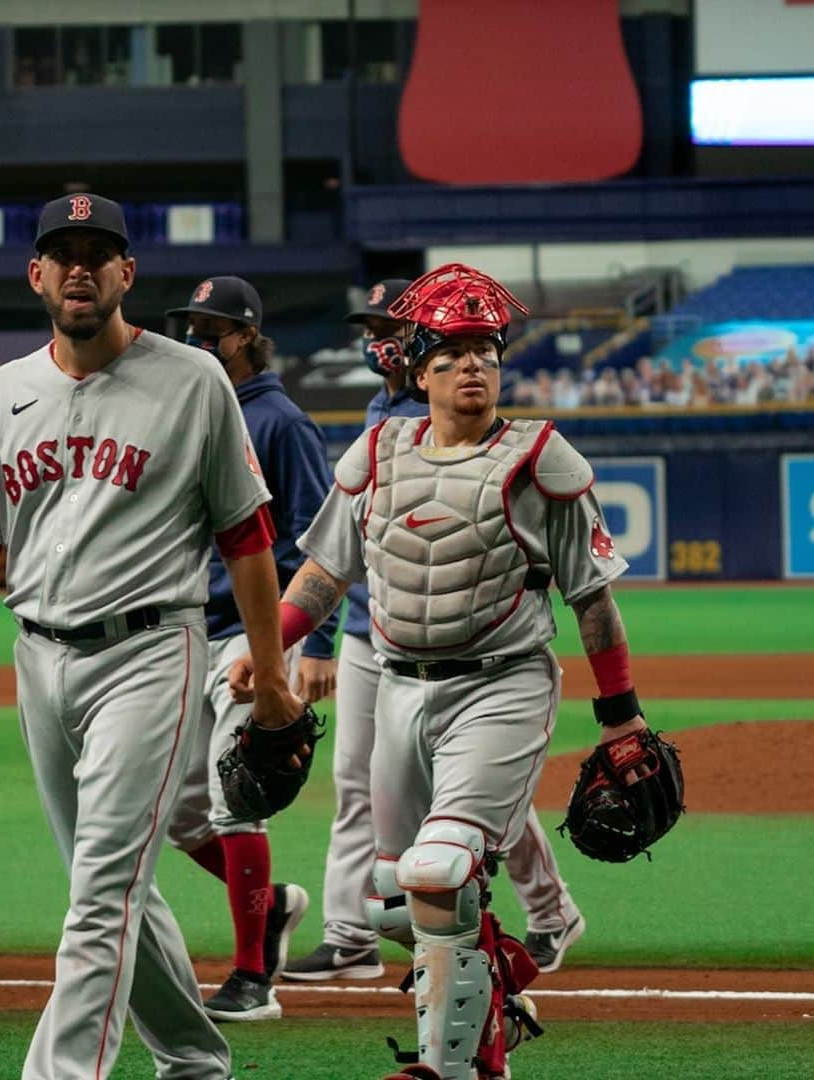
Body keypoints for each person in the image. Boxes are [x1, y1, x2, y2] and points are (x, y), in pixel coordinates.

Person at [0, 192, 305, 1080]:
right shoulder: (5, 391)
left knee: (100, 894)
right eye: (63, 252)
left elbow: (247, 537)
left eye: (100, 252)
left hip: (149, 652)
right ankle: (198, 1059)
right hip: (38, 659)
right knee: (116, 886)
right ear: (36, 275)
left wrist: (273, 675)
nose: (80, 267)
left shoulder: (193, 380)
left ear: (129, 272)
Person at [229, 263, 647, 1080]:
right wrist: (269, 650)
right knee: (391, 899)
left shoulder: (539, 460)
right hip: (396, 687)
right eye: (453, 353)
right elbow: (322, 576)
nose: (474, 367)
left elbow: (593, 601)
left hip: (503, 684)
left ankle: (452, 1068)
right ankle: (497, 996)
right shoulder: (380, 449)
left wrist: (621, 714)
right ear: (418, 370)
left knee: (439, 868)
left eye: (486, 351)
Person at [284, 279, 584, 985]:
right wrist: (298, 646)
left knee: (454, 828)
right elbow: (334, 557)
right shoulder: (379, 422)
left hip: (483, 655)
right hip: (379, 641)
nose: (374, 339)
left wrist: (619, 710)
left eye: (389, 326)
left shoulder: (491, 433)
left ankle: (493, 949)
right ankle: (368, 932)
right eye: (368, 327)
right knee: (381, 824)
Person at [162, 276, 337, 1021]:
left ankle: (251, 976)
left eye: (213, 328)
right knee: (176, 815)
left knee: (240, 802)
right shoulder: (193, 412)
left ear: (245, 336)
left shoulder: (281, 423)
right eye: (192, 326)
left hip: (250, 634)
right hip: (185, 632)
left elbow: (323, 542)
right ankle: (270, 910)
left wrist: (311, 646)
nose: (199, 338)